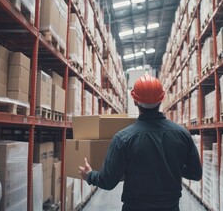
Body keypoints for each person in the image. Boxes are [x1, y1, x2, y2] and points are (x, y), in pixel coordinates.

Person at [79, 74, 202, 211]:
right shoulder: (182, 134)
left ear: (135, 101)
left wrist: (89, 175)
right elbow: (195, 174)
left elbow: (108, 181)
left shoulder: (123, 138)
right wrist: (172, 165)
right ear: (162, 99)